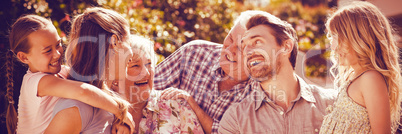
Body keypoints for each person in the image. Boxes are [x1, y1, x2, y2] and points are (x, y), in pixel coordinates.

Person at [5, 14, 134, 134]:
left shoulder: (63, 72)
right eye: (48, 50)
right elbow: (83, 91)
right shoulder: (36, 82)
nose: (57, 53)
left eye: (58, 44)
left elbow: (97, 90)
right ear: (24, 57)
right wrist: (120, 110)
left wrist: (117, 118)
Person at [218, 12, 337, 133]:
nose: (247, 52)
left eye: (257, 42)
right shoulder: (235, 120)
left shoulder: (332, 104)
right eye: (244, 47)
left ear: (286, 47)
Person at [154, 11, 269, 133]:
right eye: (230, 38)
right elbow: (146, 92)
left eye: (240, 48)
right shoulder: (193, 52)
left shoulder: (261, 94)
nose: (229, 49)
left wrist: (193, 106)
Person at [44, 7, 135, 134]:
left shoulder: (111, 106)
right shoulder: (75, 108)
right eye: (129, 42)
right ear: (114, 42)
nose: (132, 52)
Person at [320, 1, 401, 133]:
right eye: (331, 38)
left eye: (337, 37)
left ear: (358, 38)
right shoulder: (353, 78)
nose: (333, 47)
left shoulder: (370, 79)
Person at [111, 35, 204, 133]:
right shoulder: (102, 111)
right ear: (115, 74)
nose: (146, 73)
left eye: (149, 64)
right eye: (135, 65)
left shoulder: (177, 107)